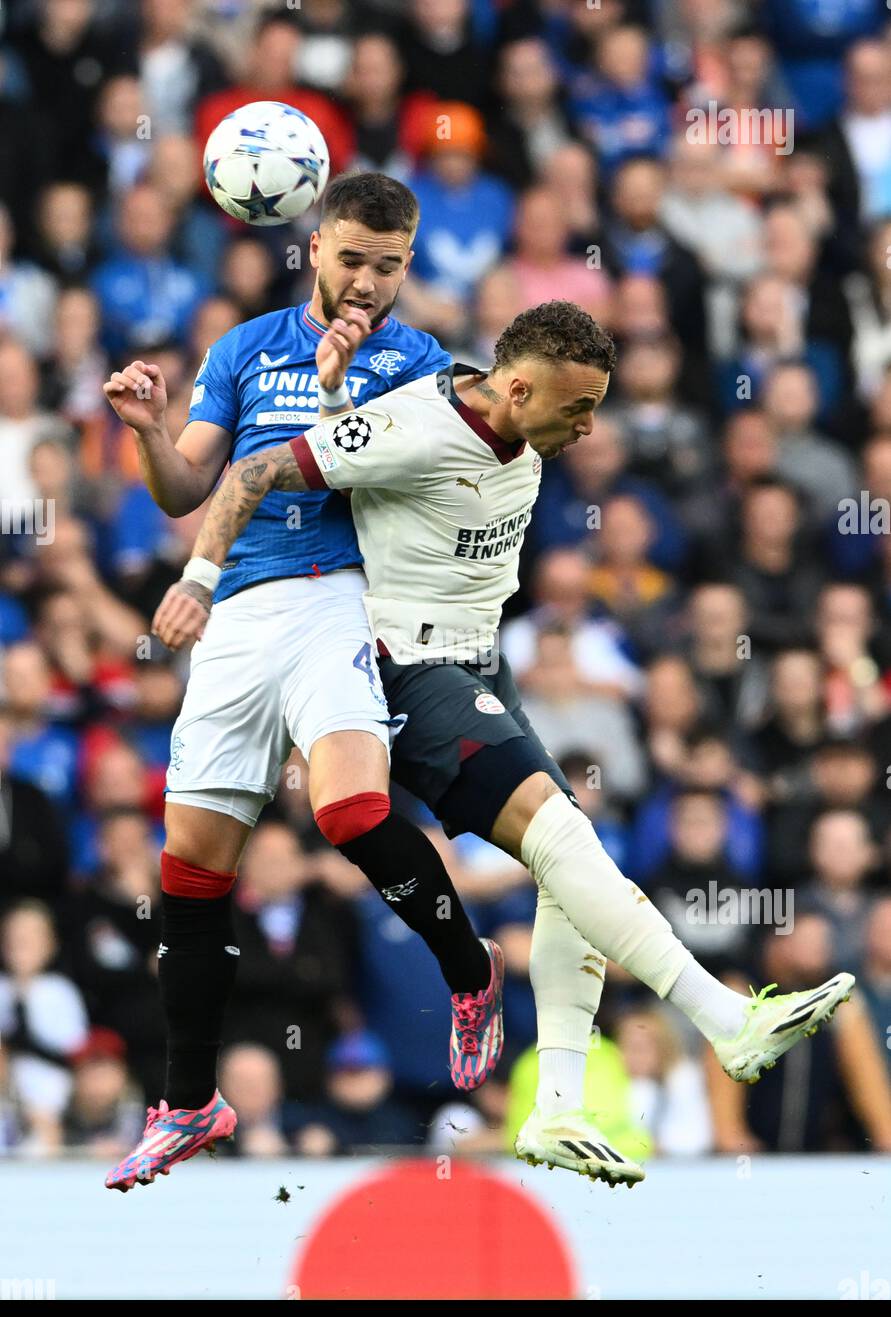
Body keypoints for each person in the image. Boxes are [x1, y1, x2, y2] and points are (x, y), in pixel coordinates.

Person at [157, 299, 856, 1188]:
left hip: (481, 665)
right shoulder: (417, 426)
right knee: (562, 842)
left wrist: (334, 400)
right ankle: (723, 1018)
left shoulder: (508, 420)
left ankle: (557, 1106)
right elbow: (257, 472)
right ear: (520, 386)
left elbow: (361, 428)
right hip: (408, 671)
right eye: (576, 407)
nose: (588, 426)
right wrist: (201, 579)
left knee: (569, 865)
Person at [101, 173, 507, 1194]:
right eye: (353, 258)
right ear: (317, 247)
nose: (369, 281)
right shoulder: (242, 348)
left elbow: (378, 479)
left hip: (339, 595)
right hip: (238, 612)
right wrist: (151, 430)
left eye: (390, 264)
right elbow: (189, 487)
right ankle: (190, 1101)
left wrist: (335, 392)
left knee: (351, 807)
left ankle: (469, 968)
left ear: (408, 263)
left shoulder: (420, 367)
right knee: (191, 870)